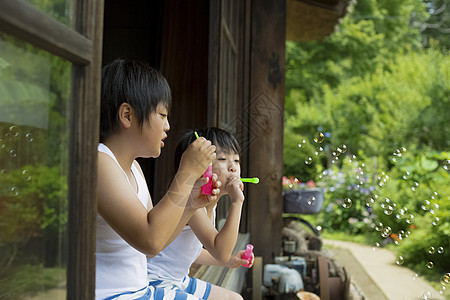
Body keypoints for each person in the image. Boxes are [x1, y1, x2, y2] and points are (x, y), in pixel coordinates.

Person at [96, 59, 220, 300]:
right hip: (111, 295)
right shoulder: (100, 163)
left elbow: (158, 242)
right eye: (162, 115)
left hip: (137, 292)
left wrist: (191, 204)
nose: (168, 126)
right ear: (127, 115)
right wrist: (186, 172)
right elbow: (150, 241)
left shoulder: (135, 169)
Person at [147, 127, 254, 300]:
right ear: (200, 166)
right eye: (222, 159)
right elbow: (221, 251)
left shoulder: (210, 202)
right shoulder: (192, 201)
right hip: (155, 280)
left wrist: (228, 261)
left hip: (177, 279)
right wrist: (237, 202)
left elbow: (191, 250)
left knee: (235, 298)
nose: (233, 167)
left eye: (236, 160)